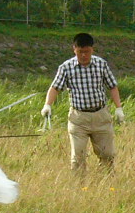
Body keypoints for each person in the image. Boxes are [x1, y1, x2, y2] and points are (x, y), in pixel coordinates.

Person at [42, 32, 125, 171]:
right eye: (80, 52)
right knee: (78, 156)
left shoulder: (101, 64)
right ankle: (79, 186)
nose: (84, 55)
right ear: (74, 49)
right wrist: (47, 105)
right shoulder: (66, 67)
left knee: (107, 154)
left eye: (87, 52)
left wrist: (118, 108)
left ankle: (105, 183)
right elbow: (55, 88)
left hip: (101, 116)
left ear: (92, 49)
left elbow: (112, 86)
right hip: (78, 118)